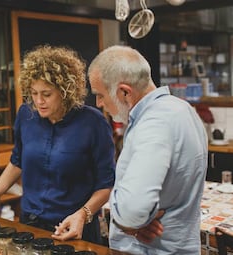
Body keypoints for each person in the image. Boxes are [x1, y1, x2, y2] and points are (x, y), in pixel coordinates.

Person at [0, 45, 116, 244]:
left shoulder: (94, 123)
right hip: (30, 224)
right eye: (34, 93)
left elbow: (106, 185)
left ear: (66, 91)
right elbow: (16, 163)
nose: (39, 101)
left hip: (74, 228)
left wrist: (83, 214)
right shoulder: (26, 114)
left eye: (47, 94)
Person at [88, 45, 207, 254]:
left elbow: (132, 211)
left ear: (125, 92)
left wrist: (129, 225)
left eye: (100, 95)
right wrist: (138, 219)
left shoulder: (154, 123)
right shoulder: (182, 109)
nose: (98, 103)